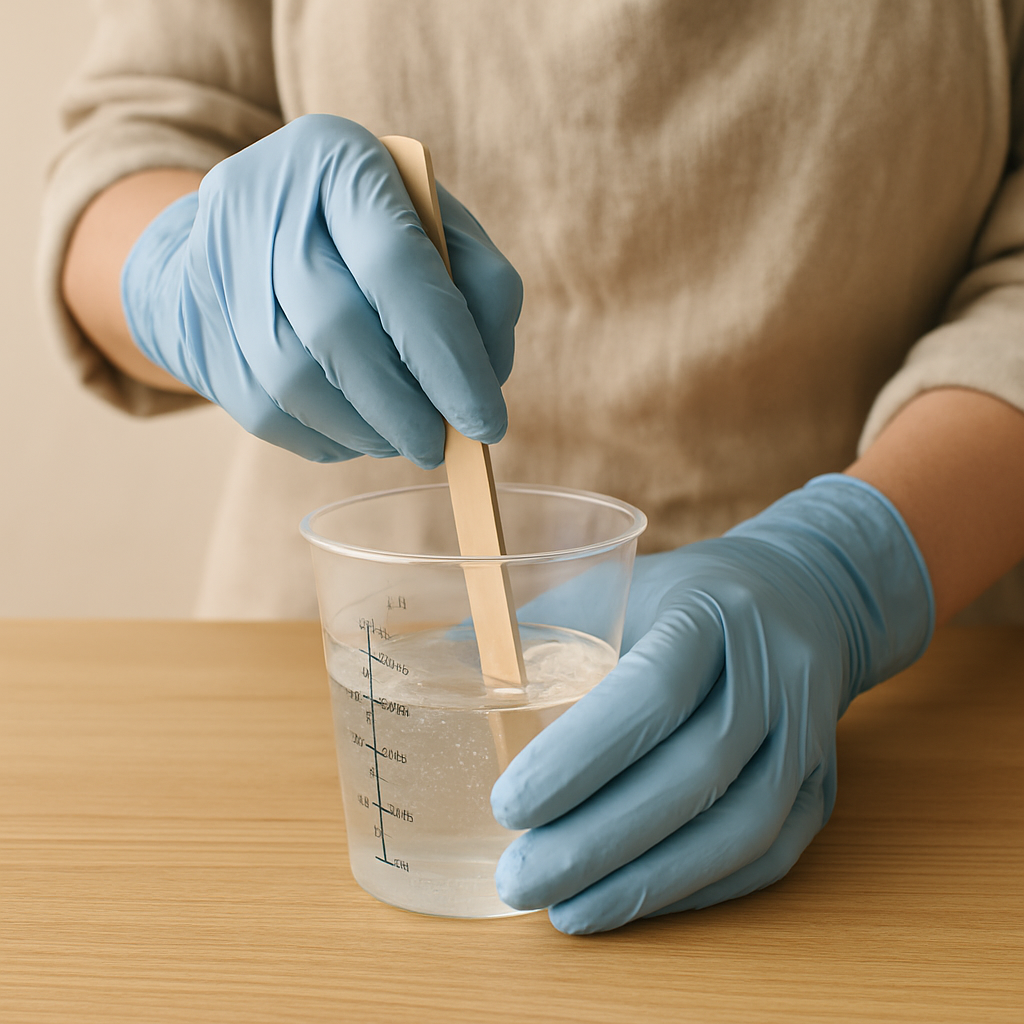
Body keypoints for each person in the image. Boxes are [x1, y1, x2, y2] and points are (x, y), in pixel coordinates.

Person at [42, 1, 1024, 934]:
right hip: (314, 688)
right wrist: (184, 271)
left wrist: (847, 568)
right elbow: (130, 141)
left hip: (904, 687)